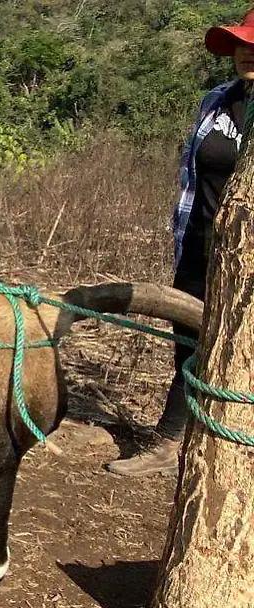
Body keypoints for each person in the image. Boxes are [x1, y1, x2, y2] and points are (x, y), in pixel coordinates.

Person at [107, 11, 254, 476]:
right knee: (188, 344)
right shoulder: (216, 101)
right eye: (241, 43)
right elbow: (193, 175)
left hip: (245, 262)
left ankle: (213, 443)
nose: (247, 51)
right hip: (199, 245)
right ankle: (171, 446)